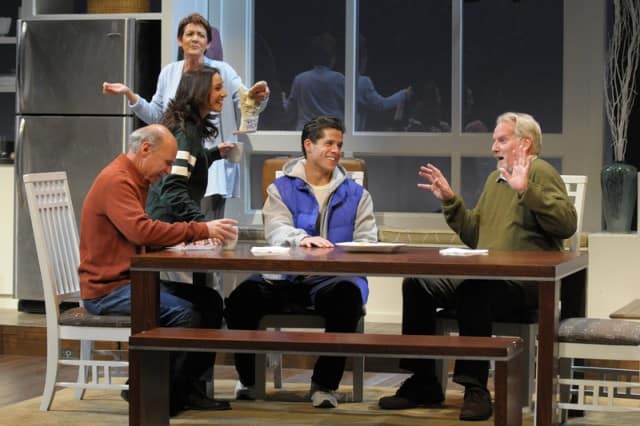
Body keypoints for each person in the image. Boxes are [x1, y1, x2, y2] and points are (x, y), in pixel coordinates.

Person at [378, 112, 577, 421]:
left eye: (501, 139)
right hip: (490, 275)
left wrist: (527, 191)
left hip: (525, 283)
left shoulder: (541, 172)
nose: (493, 146)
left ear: (525, 143)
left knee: (475, 289)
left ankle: (475, 387)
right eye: (494, 140)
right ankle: (423, 381)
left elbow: (566, 225)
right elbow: (476, 235)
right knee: (417, 284)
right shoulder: (495, 178)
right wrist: (450, 201)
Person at [78, 124, 239, 416]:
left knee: (210, 301)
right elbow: (141, 231)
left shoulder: (133, 178)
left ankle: (187, 389)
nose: (167, 171)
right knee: (185, 314)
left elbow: (133, 236)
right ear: (145, 149)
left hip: (131, 280)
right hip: (108, 289)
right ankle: (151, 391)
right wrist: (199, 229)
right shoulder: (117, 180)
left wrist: (182, 242)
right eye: (166, 163)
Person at [224, 116, 378, 409]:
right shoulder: (281, 188)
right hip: (284, 277)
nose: (336, 150)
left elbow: (367, 240)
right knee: (241, 299)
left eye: (340, 145)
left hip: (333, 280)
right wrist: (300, 239)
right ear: (309, 145)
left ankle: (324, 385)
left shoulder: (358, 195)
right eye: (329, 143)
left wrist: (338, 257)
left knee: (348, 298)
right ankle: (250, 380)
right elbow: (276, 229)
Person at [103, 13, 269, 220]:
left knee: (203, 216)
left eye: (201, 35)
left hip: (204, 163)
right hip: (177, 159)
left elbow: (247, 101)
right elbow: (158, 118)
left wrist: (258, 98)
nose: (195, 39)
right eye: (189, 34)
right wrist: (130, 95)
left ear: (208, 43)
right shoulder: (169, 73)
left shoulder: (222, 71)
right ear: (179, 40)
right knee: (184, 213)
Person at [146, 65, 232, 224]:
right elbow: (173, 190)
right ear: (199, 91)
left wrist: (214, 154)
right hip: (168, 226)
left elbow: (182, 163)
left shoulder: (184, 124)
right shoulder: (188, 131)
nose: (224, 93)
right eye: (217, 88)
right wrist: (202, 225)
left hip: (161, 222)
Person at [284, 34, 345, 130]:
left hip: (306, 133)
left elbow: (289, 110)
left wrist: (282, 99)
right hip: (332, 133)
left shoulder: (300, 79)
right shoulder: (339, 79)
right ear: (333, 57)